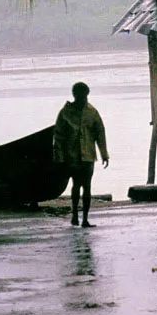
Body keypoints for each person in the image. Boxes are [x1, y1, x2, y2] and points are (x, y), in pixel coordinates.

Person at [53, 82, 109, 227]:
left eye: (84, 96)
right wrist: (59, 157)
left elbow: (100, 133)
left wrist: (104, 154)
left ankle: (84, 219)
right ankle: (74, 216)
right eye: (79, 96)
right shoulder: (65, 113)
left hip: (88, 156)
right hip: (72, 156)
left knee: (87, 187)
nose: (82, 98)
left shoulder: (92, 112)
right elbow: (58, 137)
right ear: (74, 95)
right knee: (76, 186)